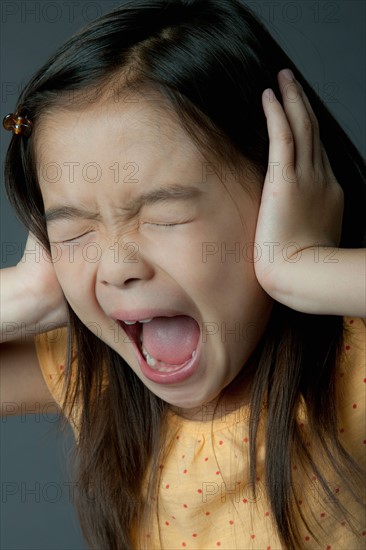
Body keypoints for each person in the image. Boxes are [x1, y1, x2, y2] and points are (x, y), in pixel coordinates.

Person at [1, 0, 365, 548]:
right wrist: (23, 294)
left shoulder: (350, 365)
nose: (119, 266)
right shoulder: (97, 376)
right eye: (74, 232)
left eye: (165, 214)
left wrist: (304, 269)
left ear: (280, 194)